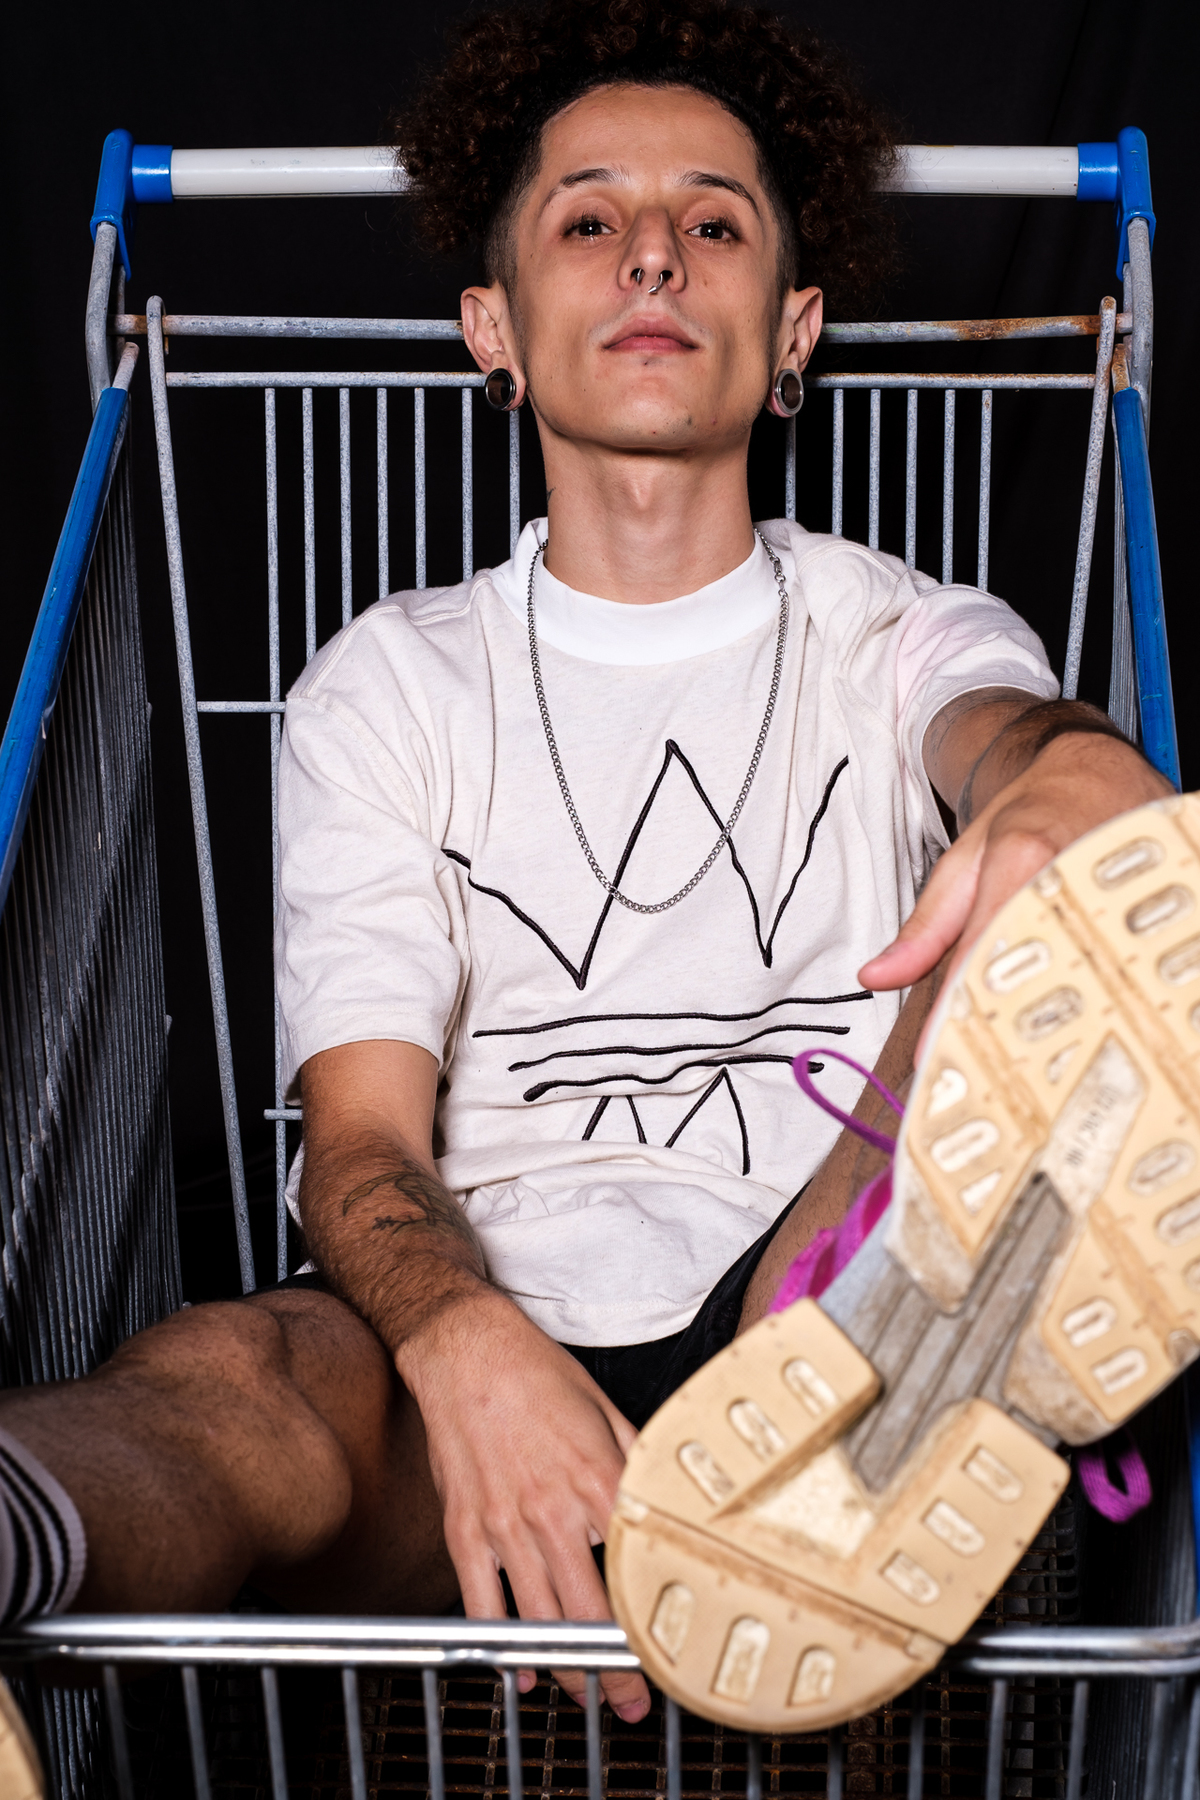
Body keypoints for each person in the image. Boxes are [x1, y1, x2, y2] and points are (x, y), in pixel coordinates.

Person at [0, 0, 1174, 1748]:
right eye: (589, 219)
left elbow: (996, 726)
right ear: (494, 328)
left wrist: (1061, 770)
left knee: (1022, 938)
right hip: (484, 1333)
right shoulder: (389, 683)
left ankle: (875, 1395)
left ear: (793, 333)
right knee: (236, 1374)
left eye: (714, 224)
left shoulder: (898, 631)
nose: (652, 255)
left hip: (817, 1288)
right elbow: (364, 1148)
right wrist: (468, 1350)